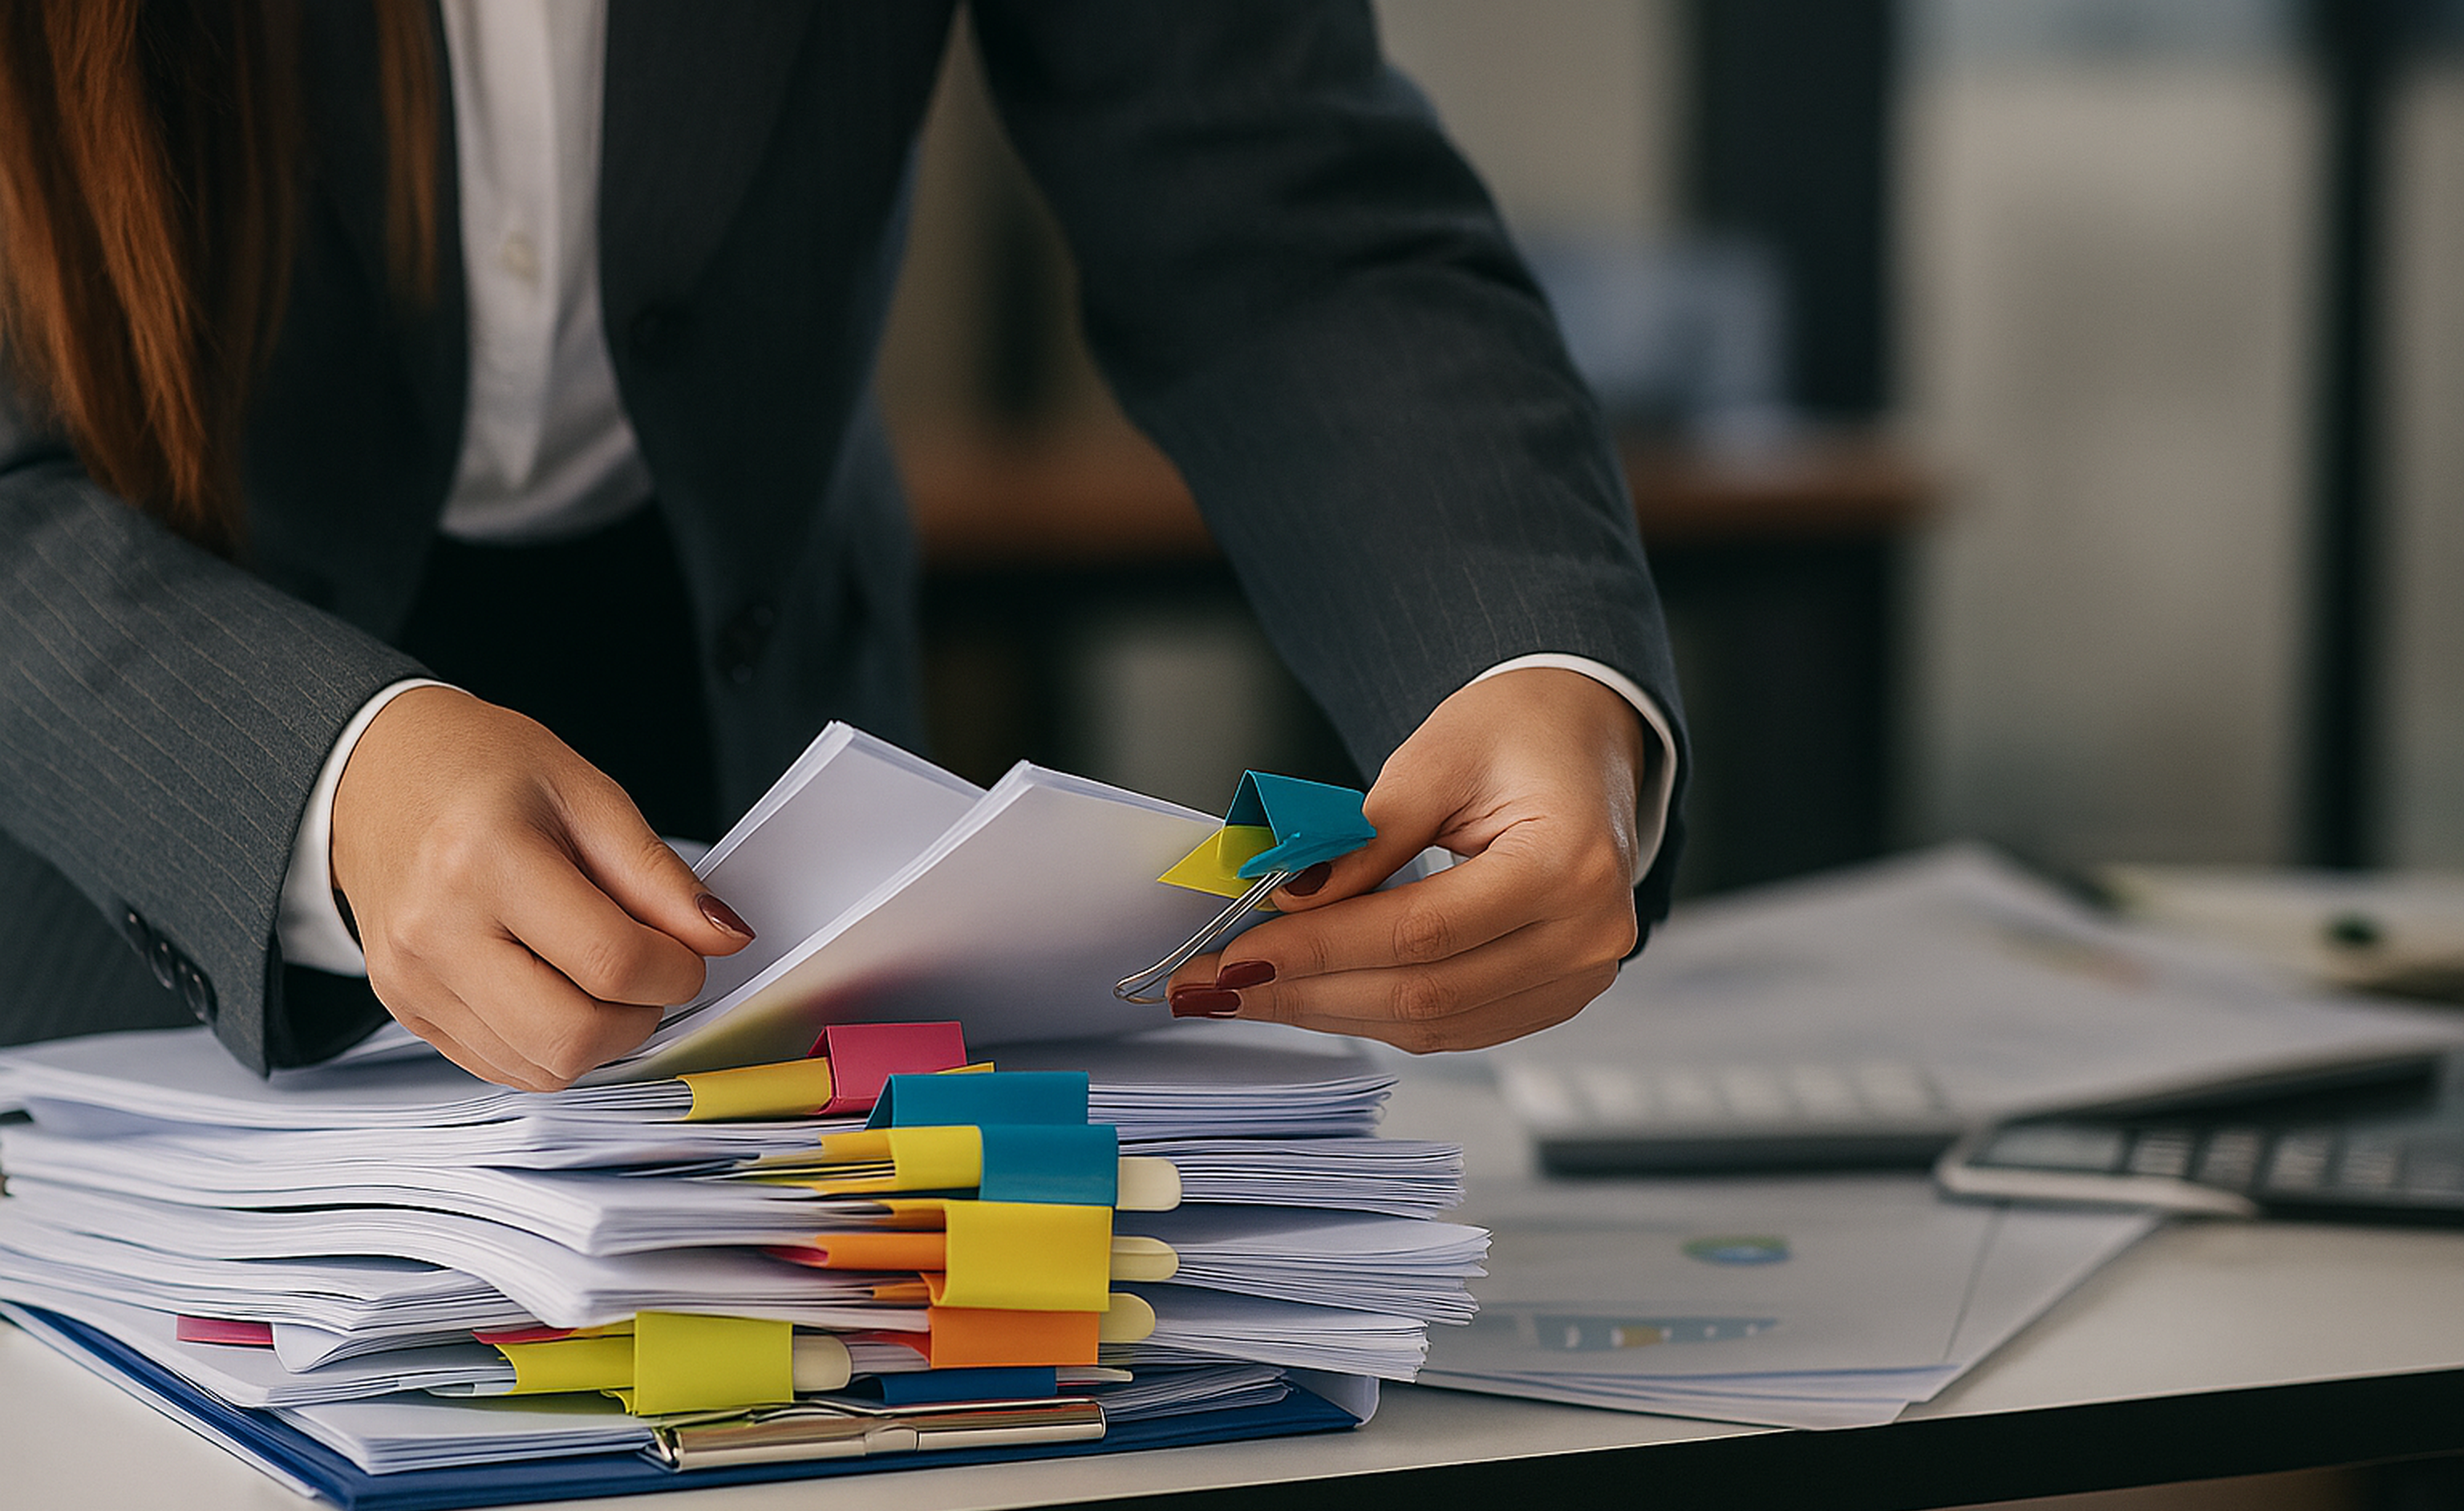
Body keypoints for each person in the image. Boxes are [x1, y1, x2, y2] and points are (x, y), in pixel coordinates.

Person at [0, 0, 1688, 1092]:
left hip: (763, 773)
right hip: (115, 840)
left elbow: (1278, 206)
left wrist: (1530, 656)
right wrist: (315, 780)